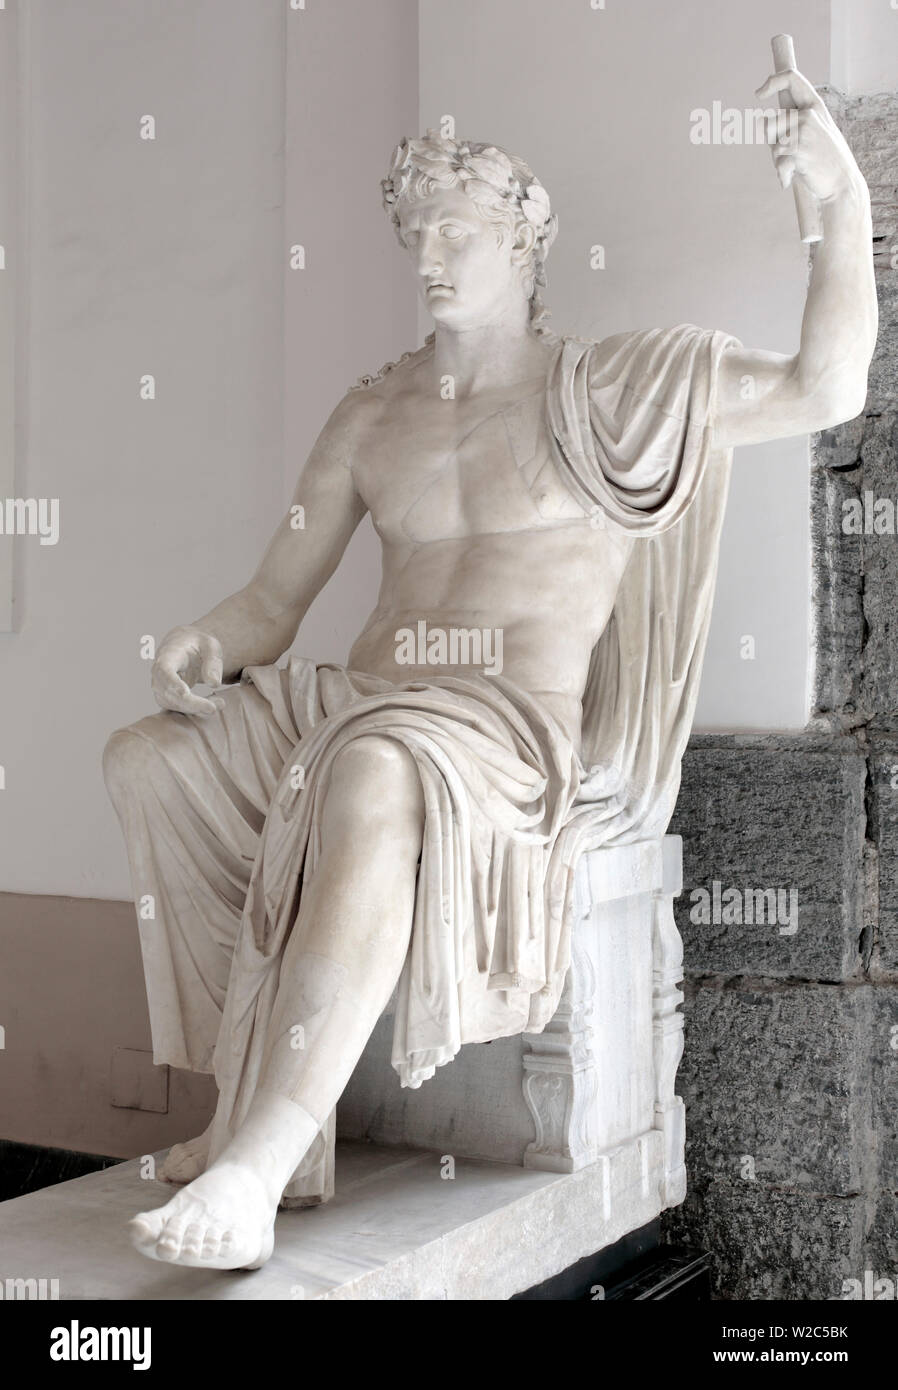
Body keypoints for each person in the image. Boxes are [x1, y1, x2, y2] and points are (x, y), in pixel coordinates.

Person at [103, 68, 877, 1271]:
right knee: (151, 757)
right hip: (361, 703)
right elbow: (273, 601)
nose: (429, 254)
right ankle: (241, 1106)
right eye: (415, 234)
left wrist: (835, 197)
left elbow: (823, 388)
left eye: (456, 231)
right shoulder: (372, 415)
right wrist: (206, 642)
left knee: (369, 768)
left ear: (527, 240)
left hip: (502, 730)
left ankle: (257, 1169)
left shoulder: (612, 388)